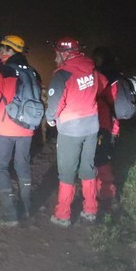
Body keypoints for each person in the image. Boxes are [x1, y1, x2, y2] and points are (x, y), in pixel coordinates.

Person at [46, 37, 106, 227]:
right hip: (91, 126)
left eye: (57, 53)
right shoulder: (92, 68)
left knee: (66, 172)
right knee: (87, 167)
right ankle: (90, 210)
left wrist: (50, 118)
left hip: (71, 129)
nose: (55, 58)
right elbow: (102, 86)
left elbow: (55, 104)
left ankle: (63, 214)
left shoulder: (62, 75)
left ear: (65, 54)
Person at [0, 35, 39, 227]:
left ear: (11, 51)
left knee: (1, 167)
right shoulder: (32, 72)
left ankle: (10, 214)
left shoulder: (2, 71)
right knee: (22, 165)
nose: (0, 52)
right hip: (27, 129)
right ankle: (28, 207)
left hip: (4, 129)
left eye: (3, 48)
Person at [92, 46, 121, 204]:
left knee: (100, 159)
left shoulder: (100, 76)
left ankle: (106, 193)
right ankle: (104, 191)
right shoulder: (115, 75)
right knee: (103, 157)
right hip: (109, 123)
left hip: (100, 122)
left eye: (96, 58)